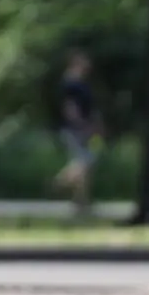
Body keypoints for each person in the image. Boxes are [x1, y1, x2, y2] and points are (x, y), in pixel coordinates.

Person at [52, 49, 101, 216]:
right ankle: (59, 182)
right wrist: (79, 124)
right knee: (84, 161)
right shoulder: (70, 83)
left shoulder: (81, 83)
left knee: (85, 165)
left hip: (84, 127)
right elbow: (70, 107)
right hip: (74, 128)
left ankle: (81, 202)